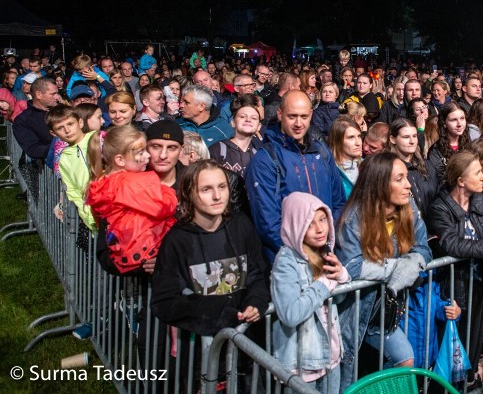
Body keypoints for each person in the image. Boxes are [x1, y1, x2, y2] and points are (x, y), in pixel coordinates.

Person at [150, 160, 268, 389]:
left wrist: (257, 300)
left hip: (245, 349)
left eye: (222, 187)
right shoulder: (177, 240)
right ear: (189, 194)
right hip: (200, 357)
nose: (217, 196)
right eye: (206, 189)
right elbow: (164, 301)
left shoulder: (241, 225)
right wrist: (217, 311)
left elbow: (257, 272)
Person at [336, 153, 432, 390]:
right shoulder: (355, 216)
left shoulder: (409, 207)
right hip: (354, 312)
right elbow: (352, 265)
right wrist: (398, 268)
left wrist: (414, 261)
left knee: (405, 360)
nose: (408, 184)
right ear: (380, 183)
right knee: (345, 377)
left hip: (384, 313)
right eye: (399, 179)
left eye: (406, 177)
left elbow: (424, 249)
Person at [427, 151, 483, 387]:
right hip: (453, 286)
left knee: (475, 341)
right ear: (460, 180)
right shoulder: (440, 207)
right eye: (477, 172)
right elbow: (449, 243)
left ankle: (469, 381)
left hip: (480, 282)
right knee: (450, 346)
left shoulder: (481, 201)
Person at [246, 90, 346, 261]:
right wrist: (304, 256)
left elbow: (338, 203)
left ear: (311, 115)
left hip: (326, 256)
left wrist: (328, 244)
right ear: (280, 114)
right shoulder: (264, 160)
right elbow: (268, 223)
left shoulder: (322, 152)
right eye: (292, 116)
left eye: (304, 116)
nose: (299, 123)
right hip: (289, 263)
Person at [271, 192, 350, 392]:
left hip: (330, 356)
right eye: (309, 223)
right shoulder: (286, 260)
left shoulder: (326, 253)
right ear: (296, 225)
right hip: (301, 363)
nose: (319, 229)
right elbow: (290, 314)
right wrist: (324, 284)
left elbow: (339, 298)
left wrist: (342, 276)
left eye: (322, 219)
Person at [87, 125, 178, 275]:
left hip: (123, 252)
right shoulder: (133, 182)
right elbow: (161, 206)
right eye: (141, 152)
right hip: (145, 249)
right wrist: (168, 192)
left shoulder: (104, 184)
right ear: (120, 160)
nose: (147, 156)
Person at [387, 118, 439, 219]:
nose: (412, 141)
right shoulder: (387, 169)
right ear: (393, 139)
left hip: (432, 228)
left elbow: (438, 198)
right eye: (406, 137)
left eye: (414, 136)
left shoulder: (427, 166)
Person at [210, 95, 263, 177]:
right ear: (233, 122)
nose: (248, 120)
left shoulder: (260, 154)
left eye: (254, 118)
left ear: (259, 126)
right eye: (242, 116)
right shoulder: (218, 149)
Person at [426, 101, 470, 184]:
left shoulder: (469, 144)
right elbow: (439, 180)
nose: (459, 124)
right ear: (444, 123)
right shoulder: (436, 151)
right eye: (454, 120)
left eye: (462, 118)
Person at [328, 117, 363, 199]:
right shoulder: (329, 171)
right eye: (351, 137)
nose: (358, 143)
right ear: (337, 141)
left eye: (359, 136)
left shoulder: (367, 165)